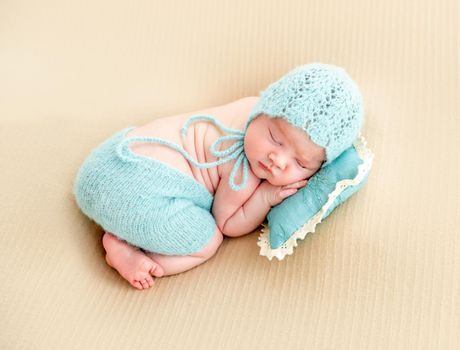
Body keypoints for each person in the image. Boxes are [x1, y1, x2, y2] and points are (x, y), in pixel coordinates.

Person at [73, 63, 364, 289]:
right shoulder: (243, 166)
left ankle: (125, 232)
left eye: (300, 163)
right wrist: (264, 197)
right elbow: (227, 223)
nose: (278, 160)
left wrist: (276, 142)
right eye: (275, 138)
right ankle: (126, 251)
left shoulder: (249, 107)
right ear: (264, 111)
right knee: (208, 241)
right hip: (143, 191)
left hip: (104, 163)